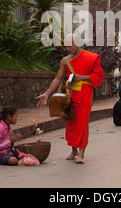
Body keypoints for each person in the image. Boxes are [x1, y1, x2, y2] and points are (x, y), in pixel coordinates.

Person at [36, 34, 104, 164]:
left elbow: (99, 76)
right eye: (65, 46)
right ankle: (73, 151)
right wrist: (47, 93)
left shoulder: (91, 58)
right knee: (70, 122)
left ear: (77, 43)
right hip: (70, 93)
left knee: (82, 123)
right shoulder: (65, 60)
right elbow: (58, 78)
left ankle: (81, 153)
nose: (67, 48)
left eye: (69, 45)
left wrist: (82, 77)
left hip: (84, 93)